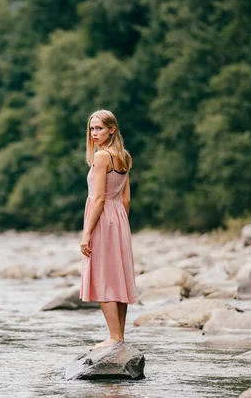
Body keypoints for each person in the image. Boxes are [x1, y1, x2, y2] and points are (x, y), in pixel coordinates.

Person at [79, 109, 138, 351]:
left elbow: (100, 198)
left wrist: (86, 233)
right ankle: (119, 336)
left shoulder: (102, 156)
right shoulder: (124, 156)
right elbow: (126, 199)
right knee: (119, 278)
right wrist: (120, 223)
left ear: (112, 129)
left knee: (103, 277)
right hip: (119, 219)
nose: (94, 133)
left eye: (99, 128)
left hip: (103, 218)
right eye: (92, 128)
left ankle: (114, 337)